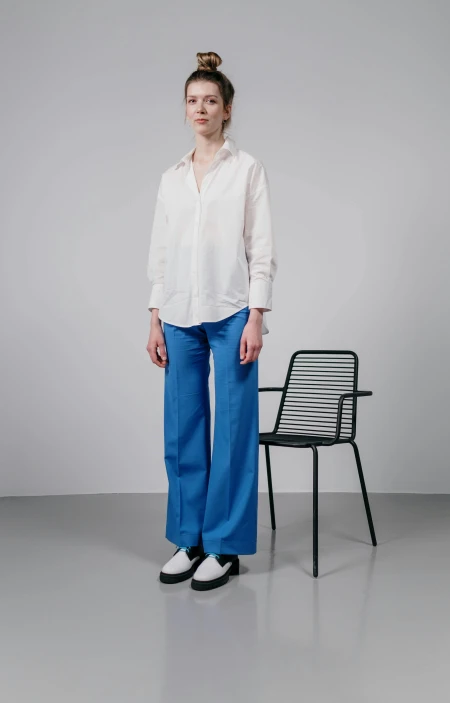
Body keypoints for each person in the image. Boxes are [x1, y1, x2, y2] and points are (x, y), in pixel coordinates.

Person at [146, 52, 278, 591]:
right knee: (182, 430)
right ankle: (189, 537)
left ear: (227, 110)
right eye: (192, 101)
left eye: (211, 101)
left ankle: (224, 547)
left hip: (231, 313)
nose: (201, 109)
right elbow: (160, 252)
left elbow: (261, 248)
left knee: (232, 432)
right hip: (178, 314)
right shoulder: (171, 178)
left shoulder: (247, 170)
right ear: (185, 110)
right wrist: (155, 318)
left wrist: (257, 317)